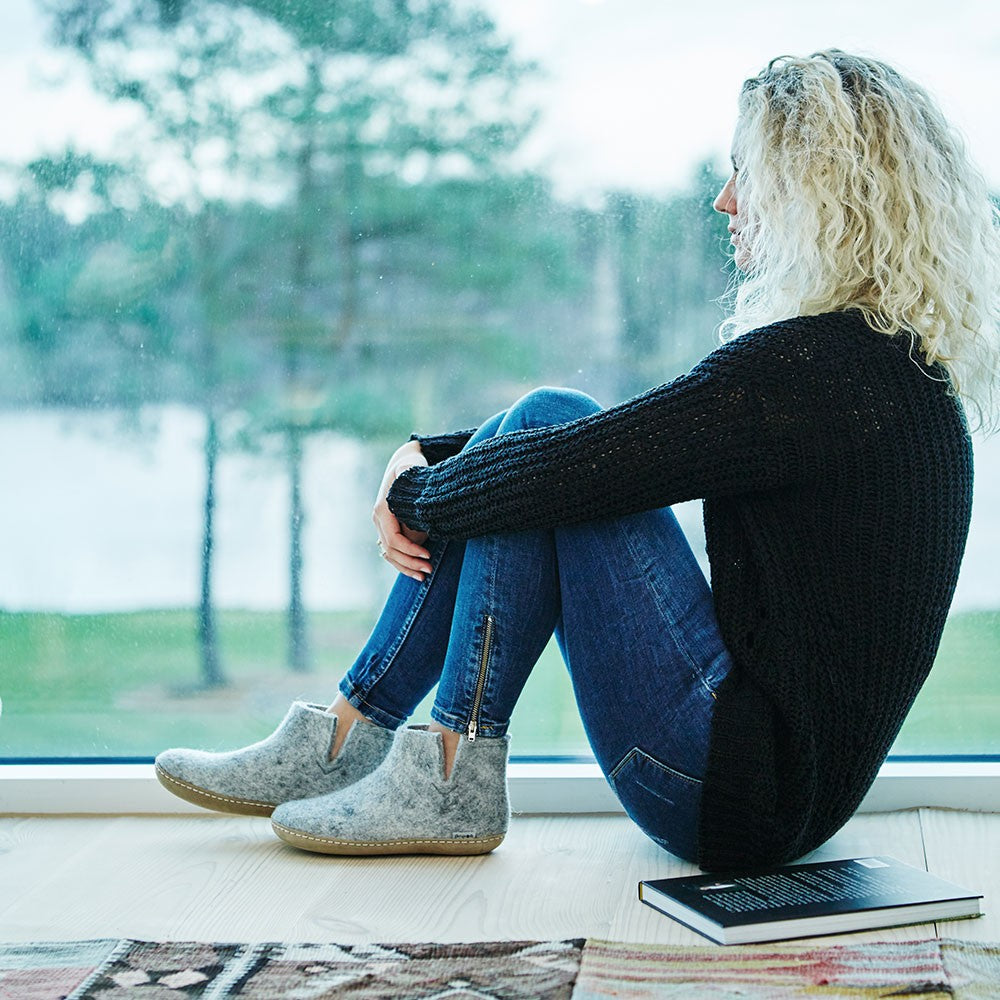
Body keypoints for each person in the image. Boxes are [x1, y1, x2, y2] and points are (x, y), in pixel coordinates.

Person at [156, 50, 999, 872]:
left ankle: (401, 755)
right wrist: (428, 457)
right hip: (778, 797)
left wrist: (414, 489)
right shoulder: (889, 370)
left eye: (746, 171)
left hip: (725, 793)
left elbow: (578, 462)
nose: (724, 199)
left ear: (817, 191)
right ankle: (367, 745)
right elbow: (625, 447)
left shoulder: (812, 370)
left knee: (545, 437)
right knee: (548, 438)